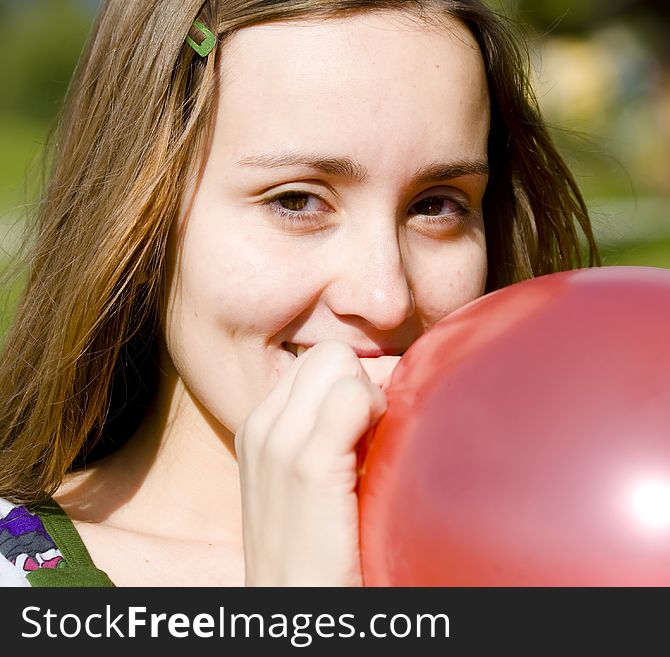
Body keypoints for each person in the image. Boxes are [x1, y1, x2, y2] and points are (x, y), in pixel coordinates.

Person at [0, 0, 599, 587]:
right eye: (296, 200)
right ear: (141, 216)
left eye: (436, 205)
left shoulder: (575, 550)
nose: (386, 298)